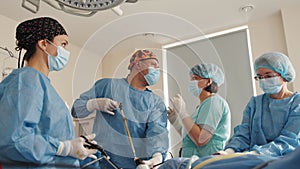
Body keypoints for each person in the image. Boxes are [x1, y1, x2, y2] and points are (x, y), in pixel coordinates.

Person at [0, 17, 97, 168]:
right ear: (44, 43)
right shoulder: (27, 79)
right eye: (63, 44)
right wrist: (63, 148)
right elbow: (13, 140)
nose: (66, 51)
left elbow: (53, 138)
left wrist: (77, 148)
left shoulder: (42, 85)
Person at [71, 49, 169, 169]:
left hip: (136, 165)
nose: (157, 71)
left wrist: (157, 158)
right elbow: (75, 110)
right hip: (101, 163)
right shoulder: (107, 86)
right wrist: (93, 104)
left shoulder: (156, 102)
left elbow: (157, 133)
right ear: (138, 64)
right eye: (154, 65)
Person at [217, 52, 300, 157]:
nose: (263, 80)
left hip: (286, 160)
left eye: (268, 75)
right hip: (253, 158)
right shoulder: (255, 103)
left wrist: (257, 153)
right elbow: (243, 134)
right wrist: (229, 151)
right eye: (260, 77)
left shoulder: (297, 103)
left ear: (284, 75)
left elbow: (290, 140)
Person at [168, 63, 231, 158]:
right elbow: (191, 137)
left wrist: (183, 113)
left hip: (207, 161)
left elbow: (200, 139)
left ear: (208, 81)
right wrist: (176, 121)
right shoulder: (203, 105)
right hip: (194, 160)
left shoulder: (213, 102)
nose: (191, 82)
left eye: (195, 78)